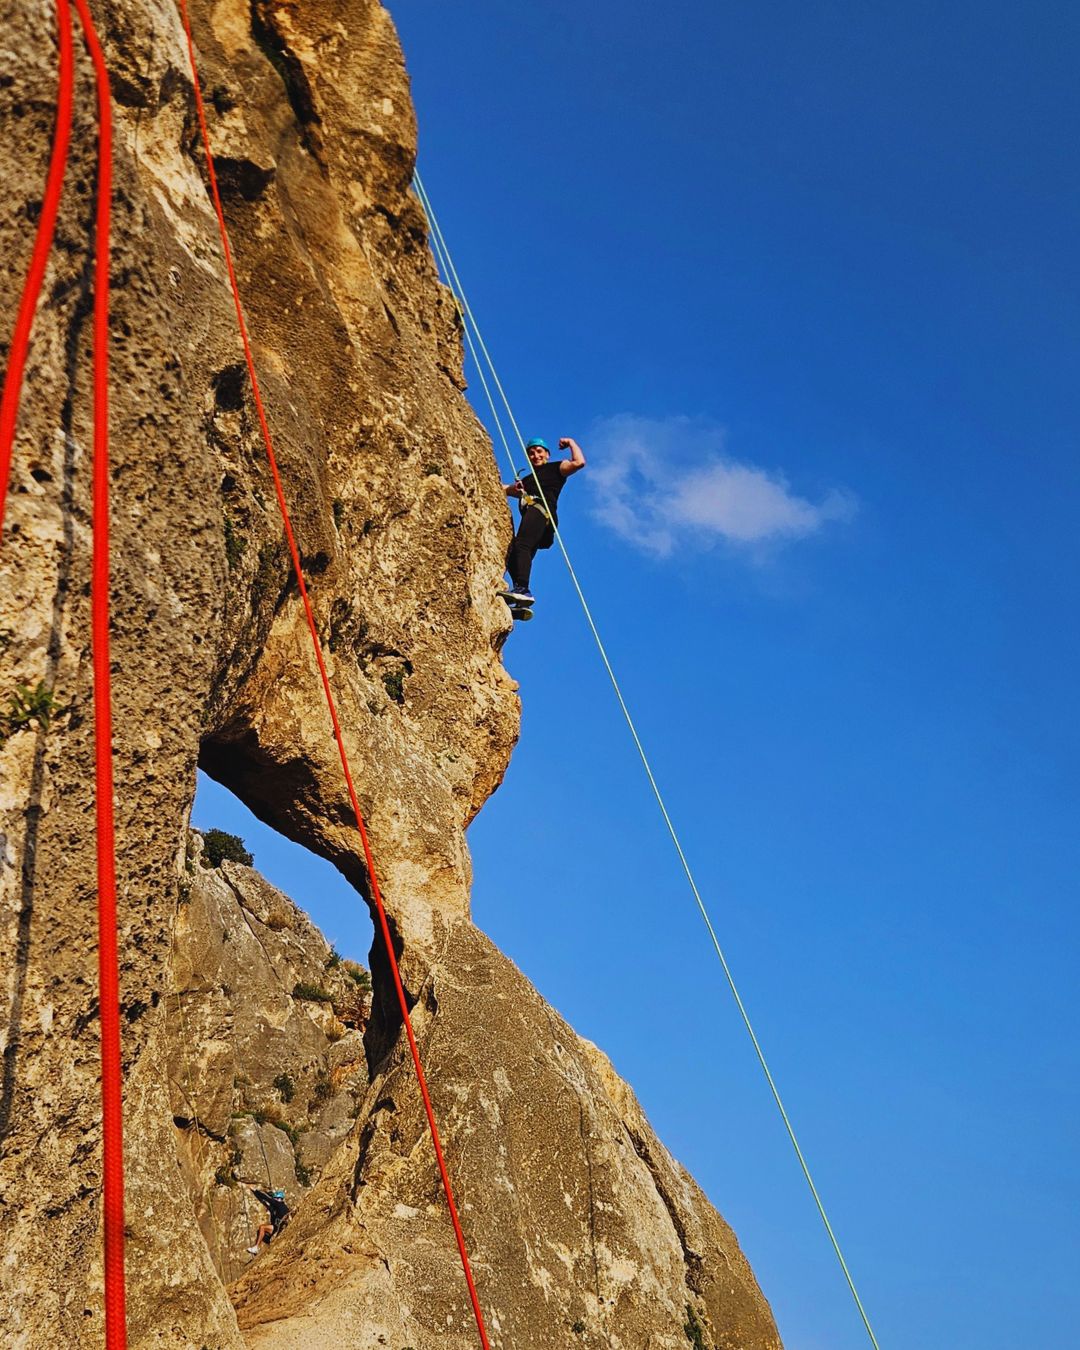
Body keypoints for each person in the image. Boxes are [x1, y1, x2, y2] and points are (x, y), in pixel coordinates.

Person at [499, 436, 586, 606]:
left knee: (521, 546)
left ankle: (522, 589)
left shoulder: (556, 468)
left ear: (547, 454)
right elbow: (505, 489)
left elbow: (579, 462)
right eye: (531, 453)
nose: (535, 455)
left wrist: (571, 443)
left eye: (539, 452)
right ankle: (522, 597)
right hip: (536, 521)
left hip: (540, 512)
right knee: (512, 556)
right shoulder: (526, 481)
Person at [245, 1184, 290, 1255]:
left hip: (277, 1228)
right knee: (265, 1231)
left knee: (262, 1228)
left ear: (279, 1199)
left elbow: (266, 1198)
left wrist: (254, 1190)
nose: (274, 1199)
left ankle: (256, 1247)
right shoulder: (283, 1206)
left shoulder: (278, 1204)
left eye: (275, 1198)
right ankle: (266, 1241)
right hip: (278, 1227)